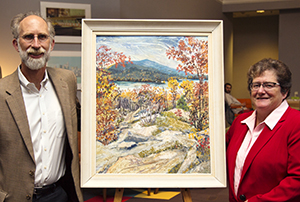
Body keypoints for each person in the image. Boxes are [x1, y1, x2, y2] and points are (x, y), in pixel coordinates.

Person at [0, 11, 83, 202]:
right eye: (28, 37)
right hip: (15, 197)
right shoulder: (2, 92)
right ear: (16, 44)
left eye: (42, 37)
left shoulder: (67, 81)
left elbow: (82, 120)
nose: (36, 45)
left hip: (60, 194)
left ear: (51, 44)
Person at [226, 58, 300, 202]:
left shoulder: (296, 123)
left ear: (284, 91)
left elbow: (297, 180)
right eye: (256, 85)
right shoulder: (240, 122)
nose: (260, 91)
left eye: (269, 85)